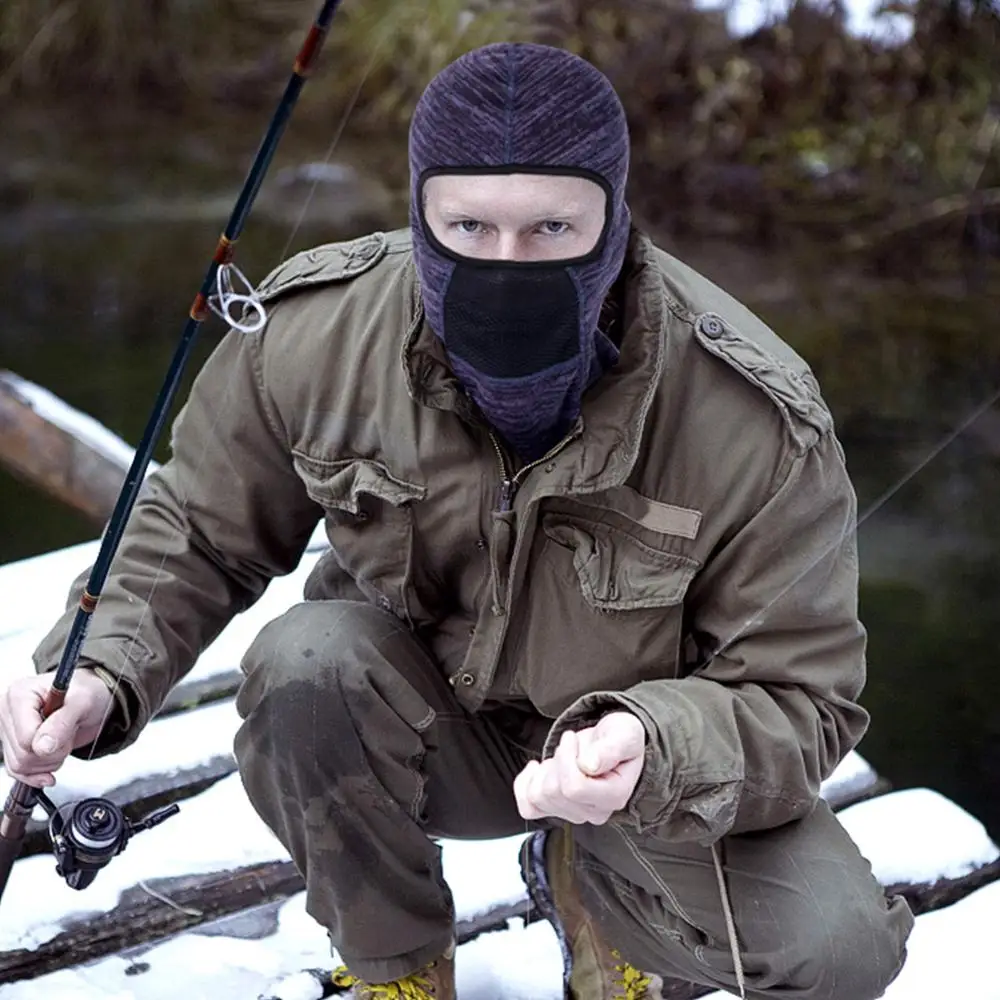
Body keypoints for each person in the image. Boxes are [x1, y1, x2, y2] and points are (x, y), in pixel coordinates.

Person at [0, 42, 912, 1000]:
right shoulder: (317, 330)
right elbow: (196, 523)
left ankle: (605, 902)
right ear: (420, 215)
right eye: (469, 226)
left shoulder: (755, 417)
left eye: (551, 228)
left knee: (838, 949)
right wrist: (100, 667)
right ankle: (397, 966)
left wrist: (654, 751)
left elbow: (803, 699)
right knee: (302, 662)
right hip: (422, 721)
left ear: (613, 219)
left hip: (635, 776)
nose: (505, 263)